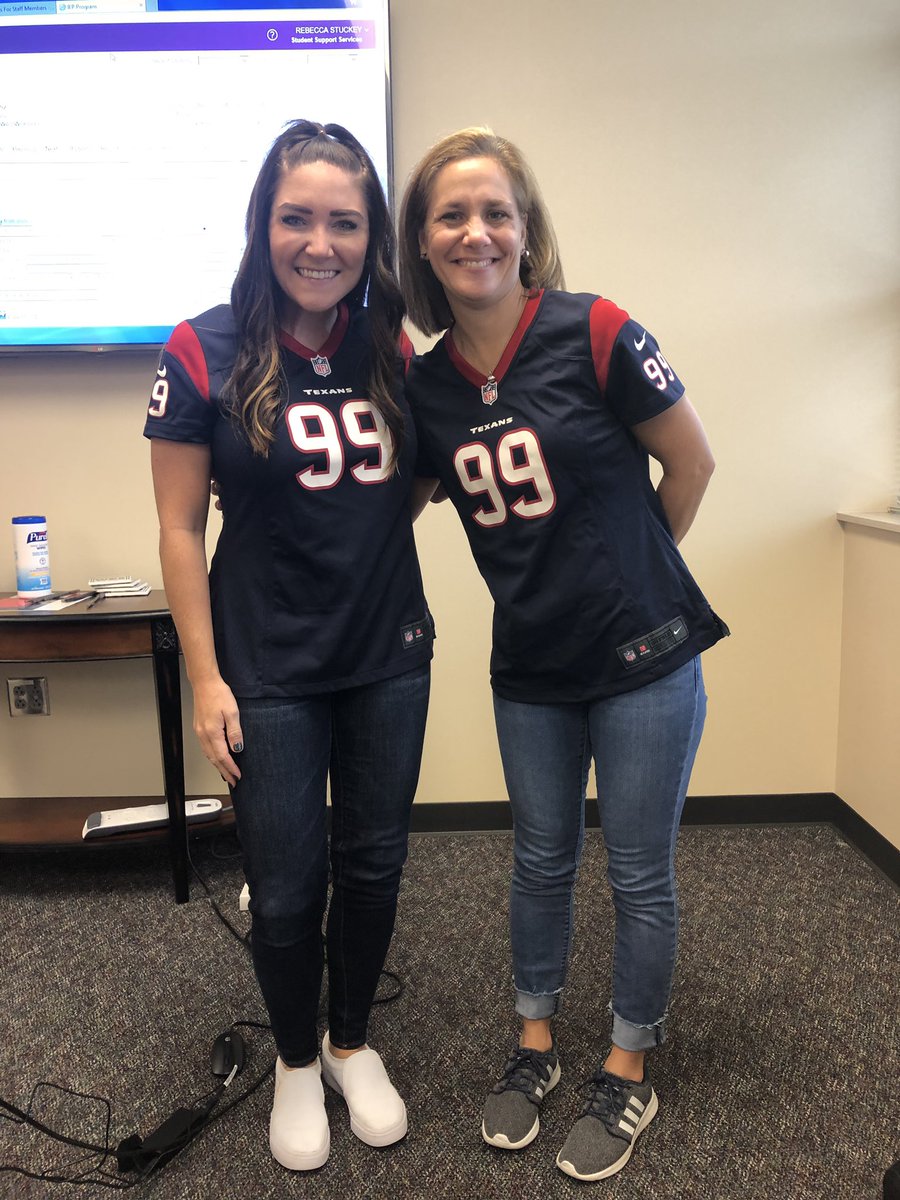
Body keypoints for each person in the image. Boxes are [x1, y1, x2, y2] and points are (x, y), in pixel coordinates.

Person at [398, 127, 728, 1183]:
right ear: (422, 242)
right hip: (532, 668)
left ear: (526, 227)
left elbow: (691, 462)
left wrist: (629, 573)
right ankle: (535, 1041)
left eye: (496, 211)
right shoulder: (426, 386)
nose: (476, 232)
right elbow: (392, 504)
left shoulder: (596, 329)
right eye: (451, 215)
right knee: (539, 860)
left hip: (645, 658)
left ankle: (629, 1065)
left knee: (637, 869)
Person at [144, 120, 433, 1173]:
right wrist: (205, 678)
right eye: (297, 218)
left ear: (371, 237)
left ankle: (351, 1041)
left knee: (375, 862)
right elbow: (180, 528)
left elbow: (415, 481)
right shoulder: (202, 347)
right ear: (263, 225)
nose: (321, 242)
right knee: (286, 879)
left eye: (345, 222)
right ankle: (297, 1060)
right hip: (263, 665)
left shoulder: (392, 345)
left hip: (387, 652)